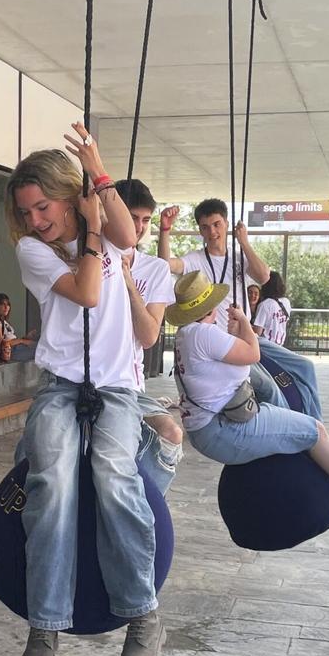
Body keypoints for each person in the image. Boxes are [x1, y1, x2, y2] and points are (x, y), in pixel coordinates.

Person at [7, 131, 164, 656]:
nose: (34, 220)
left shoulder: (111, 231)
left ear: (66, 196)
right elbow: (89, 292)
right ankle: (45, 624)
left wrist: (99, 173)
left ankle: (143, 615)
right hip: (60, 384)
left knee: (113, 473)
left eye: (43, 207)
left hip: (117, 387)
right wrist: (92, 232)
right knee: (51, 481)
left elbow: (124, 232)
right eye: (26, 212)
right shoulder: (33, 251)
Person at [169, 271, 329, 508]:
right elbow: (253, 354)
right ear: (211, 306)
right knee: (314, 431)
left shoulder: (185, 335)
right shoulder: (205, 334)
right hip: (223, 429)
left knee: (290, 420)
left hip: (207, 428)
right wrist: (243, 323)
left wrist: (239, 331)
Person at [162, 205, 322, 420]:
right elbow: (165, 265)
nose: (212, 232)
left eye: (217, 224)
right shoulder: (195, 259)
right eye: (205, 227)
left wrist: (244, 242)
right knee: (269, 387)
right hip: (222, 342)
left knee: (305, 366)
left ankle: (314, 423)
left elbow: (264, 276)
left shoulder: (239, 258)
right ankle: (290, 429)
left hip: (248, 336)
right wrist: (165, 231)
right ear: (200, 231)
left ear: (227, 224)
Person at [115, 177, 183, 496]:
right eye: (132, 217)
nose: (140, 227)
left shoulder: (154, 269)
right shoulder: (90, 259)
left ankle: (146, 507)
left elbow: (149, 335)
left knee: (171, 432)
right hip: (87, 378)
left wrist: (129, 283)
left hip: (129, 381)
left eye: (145, 220)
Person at [0, 293, 36, 361]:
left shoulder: (5, 322)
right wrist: (22, 341)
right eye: (2, 304)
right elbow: (2, 343)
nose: (6, 307)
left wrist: (25, 338)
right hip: (10, 351)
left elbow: (10, 338)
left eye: (8, 304)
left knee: (38, 344)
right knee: (39, 349)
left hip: (16, 347)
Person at [253, 271, 292, 346]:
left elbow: (257, 332)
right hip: (280, 345)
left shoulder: (264, 305)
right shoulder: (286, 302)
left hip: (266, 346)